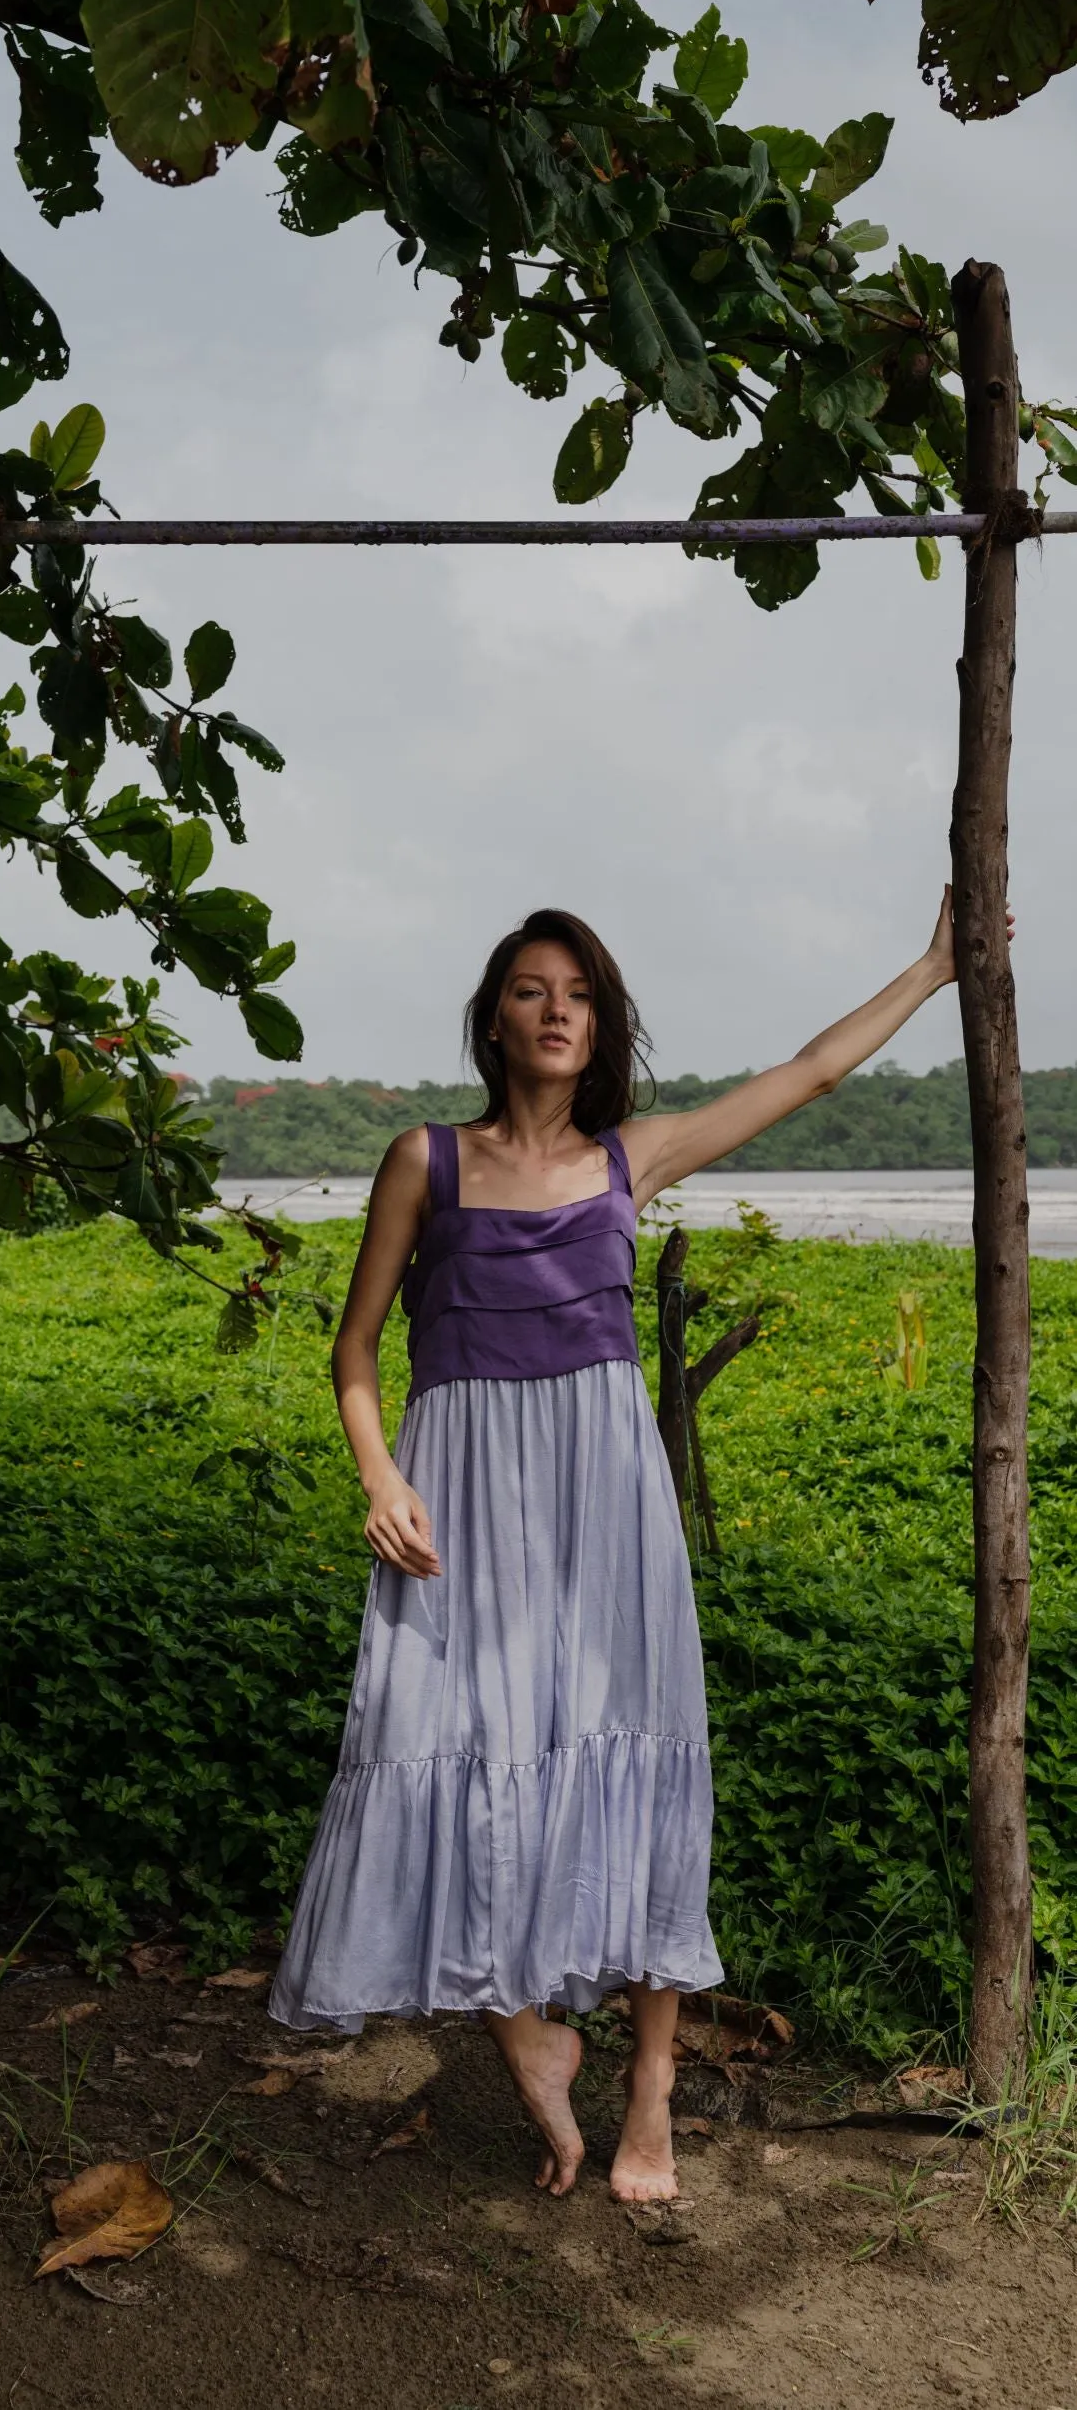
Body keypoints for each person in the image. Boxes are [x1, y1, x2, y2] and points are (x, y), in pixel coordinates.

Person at [267, 892, 970, 2203]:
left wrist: (930, 969)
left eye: (577, 994)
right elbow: (355, 1348)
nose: (554, 1010)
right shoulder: (423, 1159)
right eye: (532, 989)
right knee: (441, 1742)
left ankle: (646, 2089)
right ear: (493, 1016)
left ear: (599, 1026)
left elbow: (806, 1070)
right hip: (460, 1492)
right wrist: (378, 1474)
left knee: (634, 1756)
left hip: (603, 1498)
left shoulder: (625, 1160)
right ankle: (527, 2032)